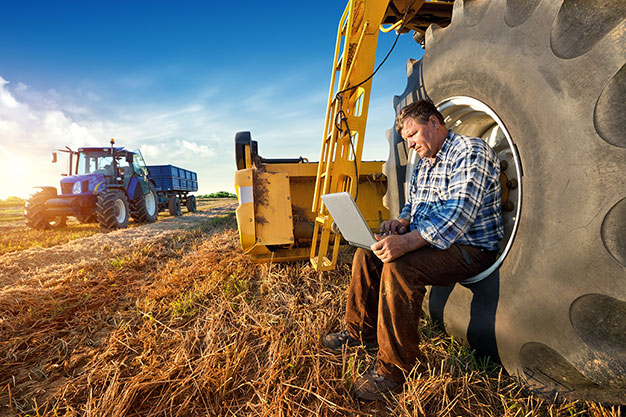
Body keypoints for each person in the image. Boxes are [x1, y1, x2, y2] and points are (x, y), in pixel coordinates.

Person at [322, 99, 504, 400]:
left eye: (412, 134)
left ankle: (394, 370)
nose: (409, 144)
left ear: (434, 122)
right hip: (434, 242)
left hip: (469, 247)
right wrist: (402, 222)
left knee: (399, 266)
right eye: (405, 139)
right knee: (367, 254)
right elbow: (414, 202)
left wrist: (407, 243)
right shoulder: (425, 162)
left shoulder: (470, 151)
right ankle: (358, 333)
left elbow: (458, 215)